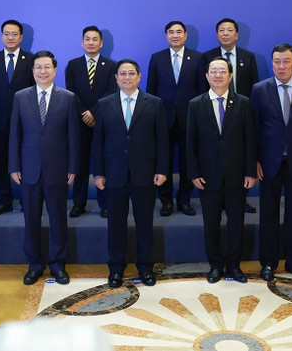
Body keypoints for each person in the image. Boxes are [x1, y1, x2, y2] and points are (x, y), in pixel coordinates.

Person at [91, 59, 167, 287]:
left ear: (139, 76)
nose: (126, 77)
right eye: (122, 74)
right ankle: (116, 269)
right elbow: (98, 142)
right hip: (114, 174)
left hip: (145, 173)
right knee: (116, 225)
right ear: (116, 78)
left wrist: (162, 169)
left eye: (131, 73)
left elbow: (162, 140)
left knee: (145, 224)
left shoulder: (154, 103)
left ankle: (145, 268)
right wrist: (99, 173)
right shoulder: (104, 104)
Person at [9, 51, 79, 285]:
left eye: (47, 67)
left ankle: (58, 265)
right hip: (28, 169)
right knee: (31, 219)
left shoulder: (68, 97)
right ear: (32, 71)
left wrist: (72, 166)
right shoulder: (20, 97)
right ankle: (34, 265)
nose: (42, 71)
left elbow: (73, 137)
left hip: (58, 169)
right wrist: (14, 166)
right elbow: (14, 135)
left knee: (59, 219)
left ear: (55, 70)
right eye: (38, 67)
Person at [250, 44, 292, 281]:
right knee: (268, 214)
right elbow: (253, 130)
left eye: (286, 61)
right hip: (269, 163)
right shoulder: (259, 89)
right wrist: (255, 160)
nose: (282, 66)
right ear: (272, 64)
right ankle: (268, 263)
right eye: (277, 61)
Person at [186, 57, 257, 283]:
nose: (218, 75)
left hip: (237, 175)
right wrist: (194, 173)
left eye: (223, 71)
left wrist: (250, 171)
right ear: (207, 76)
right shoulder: (196, 104)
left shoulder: (244, 102)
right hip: (207, 177)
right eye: (213, 71)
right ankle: (215, 265)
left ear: (230, 75)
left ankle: (234, 265)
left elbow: (250, 139)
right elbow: (191, 142)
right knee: (211, 223)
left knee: (236, 223)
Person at [200, 18, 260, 213]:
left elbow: (254, 87)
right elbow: (202, 88)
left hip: (239, 115)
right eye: (221, 30)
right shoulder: (207, 57)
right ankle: (219, 201)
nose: (225, 33)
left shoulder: (248, 57)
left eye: (229, 30)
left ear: (237, 34)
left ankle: (240, 201)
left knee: (238, 157)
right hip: (213, 114)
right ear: (217, 34)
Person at [147, 21, 201, 216]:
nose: (175, 35)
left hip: (189, 119)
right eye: (171, 32)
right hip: (163, 119)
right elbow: (151, 92)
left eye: (179, 32)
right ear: (166, 36)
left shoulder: (197, 58)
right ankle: (166, 200)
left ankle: (185, 200)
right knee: (164, 161)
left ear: (186, 35)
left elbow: (202, 91)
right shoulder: (157, 58)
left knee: (188, 162)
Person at [65, 25, 117, 218]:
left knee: (102, 163)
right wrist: (85, 114)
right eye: (87, 39)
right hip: (79, 122)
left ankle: (105, 203)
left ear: (101, 43)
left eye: (95, 39)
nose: (91, 42)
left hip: (102, 121)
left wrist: (94, 113)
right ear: (82, 42)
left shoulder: (111, 66)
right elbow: (71, 91)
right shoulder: (73, 65)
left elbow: (111, 92)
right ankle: (79, 203)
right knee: (79, 164)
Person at [0, 20, 34, 216]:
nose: (10, 37)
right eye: (6, 34)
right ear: (1, 36)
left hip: (26, 121)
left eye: (14, 34)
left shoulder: (31, 60)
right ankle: (4, 201)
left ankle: (27, 200)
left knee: (27, 161)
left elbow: (34, 91)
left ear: (21, 37)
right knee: (1, 162)